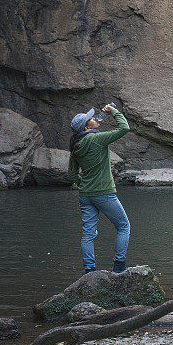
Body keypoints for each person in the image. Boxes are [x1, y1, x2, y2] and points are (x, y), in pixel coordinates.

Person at [67, 104, 131, 274]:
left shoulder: (75, 147)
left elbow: (72, 177)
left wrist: (85, 186)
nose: (95, 119)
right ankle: (119, 267)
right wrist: (114, 111)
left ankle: (90, 272)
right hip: (104, 193)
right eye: (92, 119)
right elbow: (124, 128)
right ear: (87, 127)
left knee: (88, 235)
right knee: (124, 227)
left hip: (85, 196)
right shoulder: (97, 139)